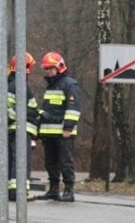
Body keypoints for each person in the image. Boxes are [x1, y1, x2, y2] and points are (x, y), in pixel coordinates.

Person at [38, 51, 81, 202]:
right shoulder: (50, 87)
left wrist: (68, 128)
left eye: (50, 68)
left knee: (65, 162)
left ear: (59, 67)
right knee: (50, 163)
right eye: (46, 69)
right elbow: (47, 111)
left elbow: (73, 109)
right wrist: (40, 130)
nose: (48, 71)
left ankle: (69, 190)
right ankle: (54, 189)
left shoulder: (69, 85)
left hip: (63, 133)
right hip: (49, 133)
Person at [6, 52, 39, 202]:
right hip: (21, 129)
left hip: (12, 130)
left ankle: (12, 191)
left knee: (13, 160)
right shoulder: (21, 86)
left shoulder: (9, 85)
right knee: (21, 160)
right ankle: (20, 192)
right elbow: (26, 110)